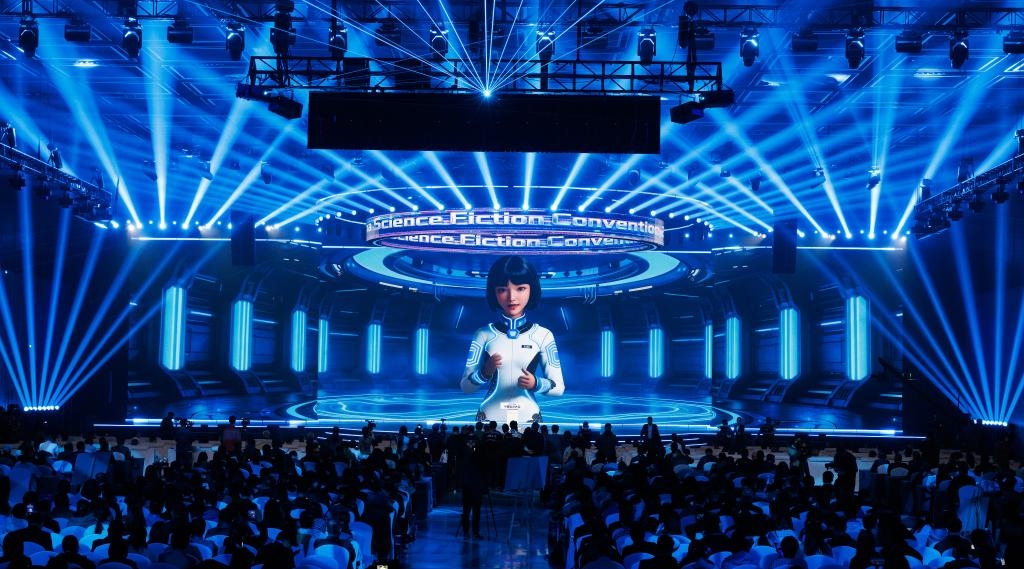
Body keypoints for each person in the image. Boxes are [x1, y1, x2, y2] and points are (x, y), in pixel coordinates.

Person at [460, 255, 565, 424]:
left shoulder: (543, 335)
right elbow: (466, 387)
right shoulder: (483, 334)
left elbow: (558, 388)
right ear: (494, 292)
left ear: (532, 289)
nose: (511, 297)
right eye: (502, 289)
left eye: (520, 288)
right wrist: (484, 373)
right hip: (489, 417)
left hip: (528, 418)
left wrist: (536, 383)